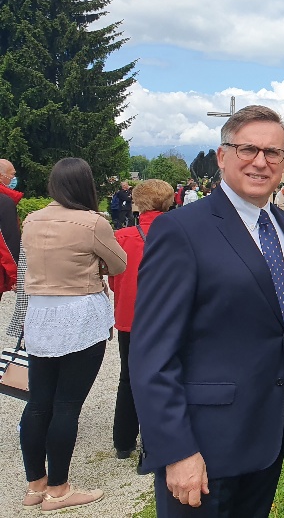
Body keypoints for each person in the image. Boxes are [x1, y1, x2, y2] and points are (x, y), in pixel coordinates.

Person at [130, 105, 284, 517]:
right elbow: (151, 352)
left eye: (273, 152)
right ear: (222, 156)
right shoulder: (182, 230)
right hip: (203, 447)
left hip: (265, 439)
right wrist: (176, 450)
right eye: (248, 149)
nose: (261, 161)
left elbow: (276, 326)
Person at [19, 158, 128, 511]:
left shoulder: (31, 220)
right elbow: (119, 264)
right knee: (67, 404)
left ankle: (35, 483)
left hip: (40, 311)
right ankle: (59, 488)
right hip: (79, 311)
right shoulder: (92, 222)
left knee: (38, 402)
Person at [109, 178, 175, 465]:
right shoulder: (178, 234)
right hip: (166, 318)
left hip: (130, 316)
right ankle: (154, 442)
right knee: (164, 377)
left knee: (127, 377)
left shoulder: (122, 237)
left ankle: (123, 441)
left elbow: (114, 279)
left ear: (137, 203)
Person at [0, 158, 22, 265]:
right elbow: (10, 242)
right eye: (12, 174)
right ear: (1, 176)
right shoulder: (5, 202)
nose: (14, 178)